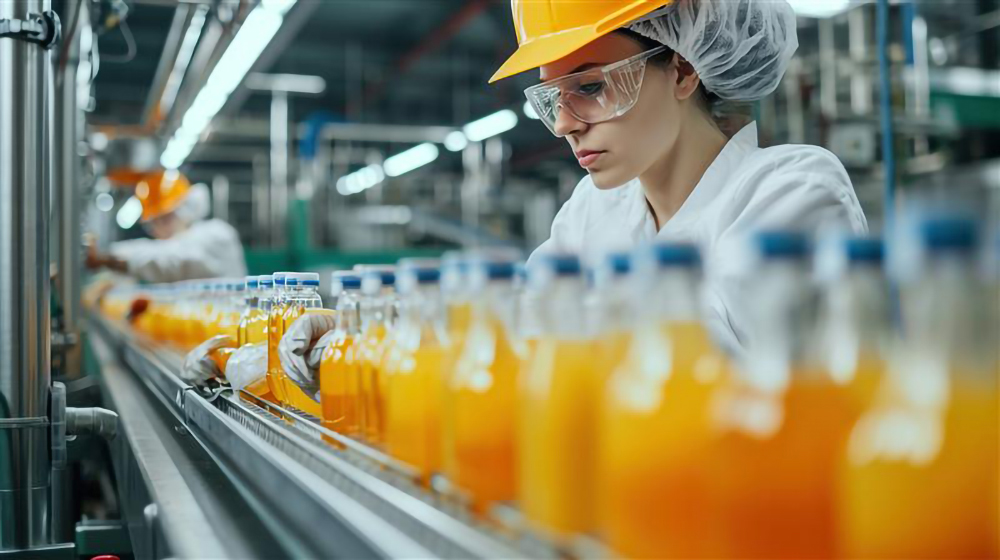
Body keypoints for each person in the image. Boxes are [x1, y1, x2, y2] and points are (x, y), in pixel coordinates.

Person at [492, 0, 868, 353]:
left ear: (683, 70)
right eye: (552, 99)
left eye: (591, 86)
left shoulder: (793, 193)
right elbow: (524, 341)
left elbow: (762, 387)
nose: (562, 124)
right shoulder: (590, 210)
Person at [87, 169, 247, 283]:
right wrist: (106, 254)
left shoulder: (216, 234)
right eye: (152, 223)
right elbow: (152, 249)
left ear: (185, 209)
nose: (157, 229)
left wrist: (106, 260)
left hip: (233, 325)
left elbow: (172, 261)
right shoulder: (178, 242)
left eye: (163, 219)